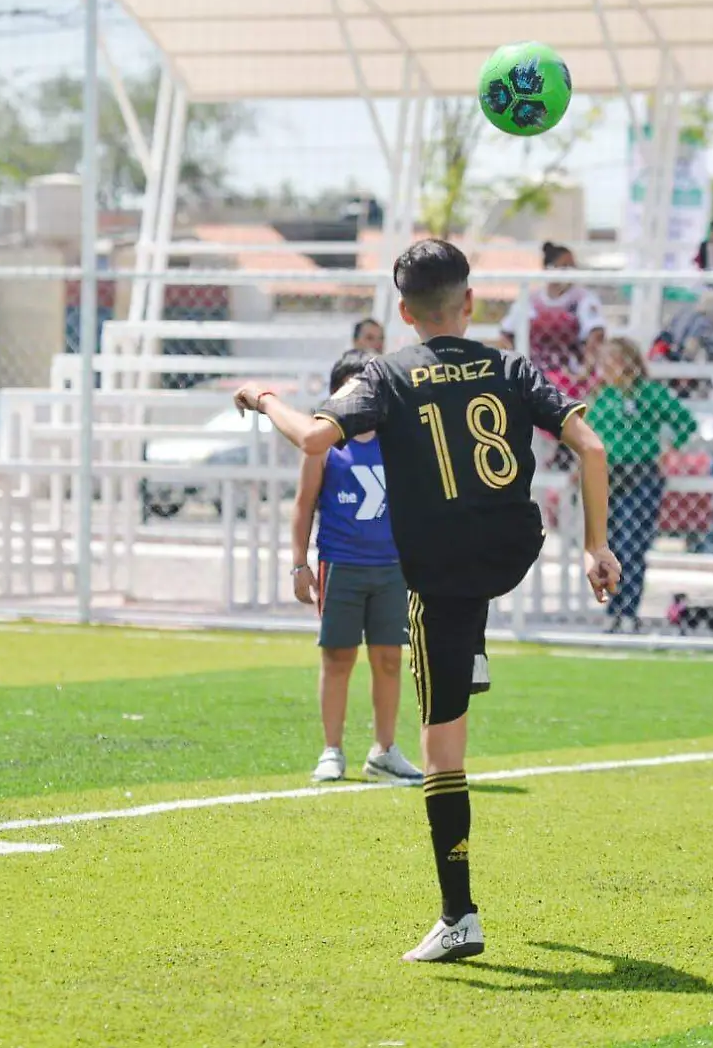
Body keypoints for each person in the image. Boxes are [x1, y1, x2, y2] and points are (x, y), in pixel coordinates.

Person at [234, 239, 618, 963]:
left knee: (444, 749)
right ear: (470, 303)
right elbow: (591, 450)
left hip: (438, 570)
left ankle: (458, 915)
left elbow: (316, 436)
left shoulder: (388, 372)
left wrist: (263, 398)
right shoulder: (509, 364)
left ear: (404, 312)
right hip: (511, 548)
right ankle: (468, 649)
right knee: (459, 615)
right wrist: (598, 546)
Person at [291, 350, 422, 785]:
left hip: (391, 567)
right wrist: (299, 565)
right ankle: (332, 749)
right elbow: (304, 504)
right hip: (341, 564)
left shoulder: (399, 440)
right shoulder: (325, 445)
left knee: (388, 659)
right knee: (338, 657)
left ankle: (384, 750)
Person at [587, 337, 698, 632]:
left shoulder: (650, 394)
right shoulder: (604, 398)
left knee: (633, 544)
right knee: (610, 546)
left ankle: (629, 610)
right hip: (611, 475)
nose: (607, 367)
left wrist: (667, 449)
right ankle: (614, 609)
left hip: (642, 473)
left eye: (614, 360)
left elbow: (685, 422)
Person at [498, 242, 607, 399]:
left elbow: (596, 333)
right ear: (548, 269)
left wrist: (585, 370)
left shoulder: (582, 298)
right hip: (535, 376)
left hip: (572, 376)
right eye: (564, 267)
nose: (570, 272)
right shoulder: (531, 300)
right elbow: (505, 335)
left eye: (572, 267)